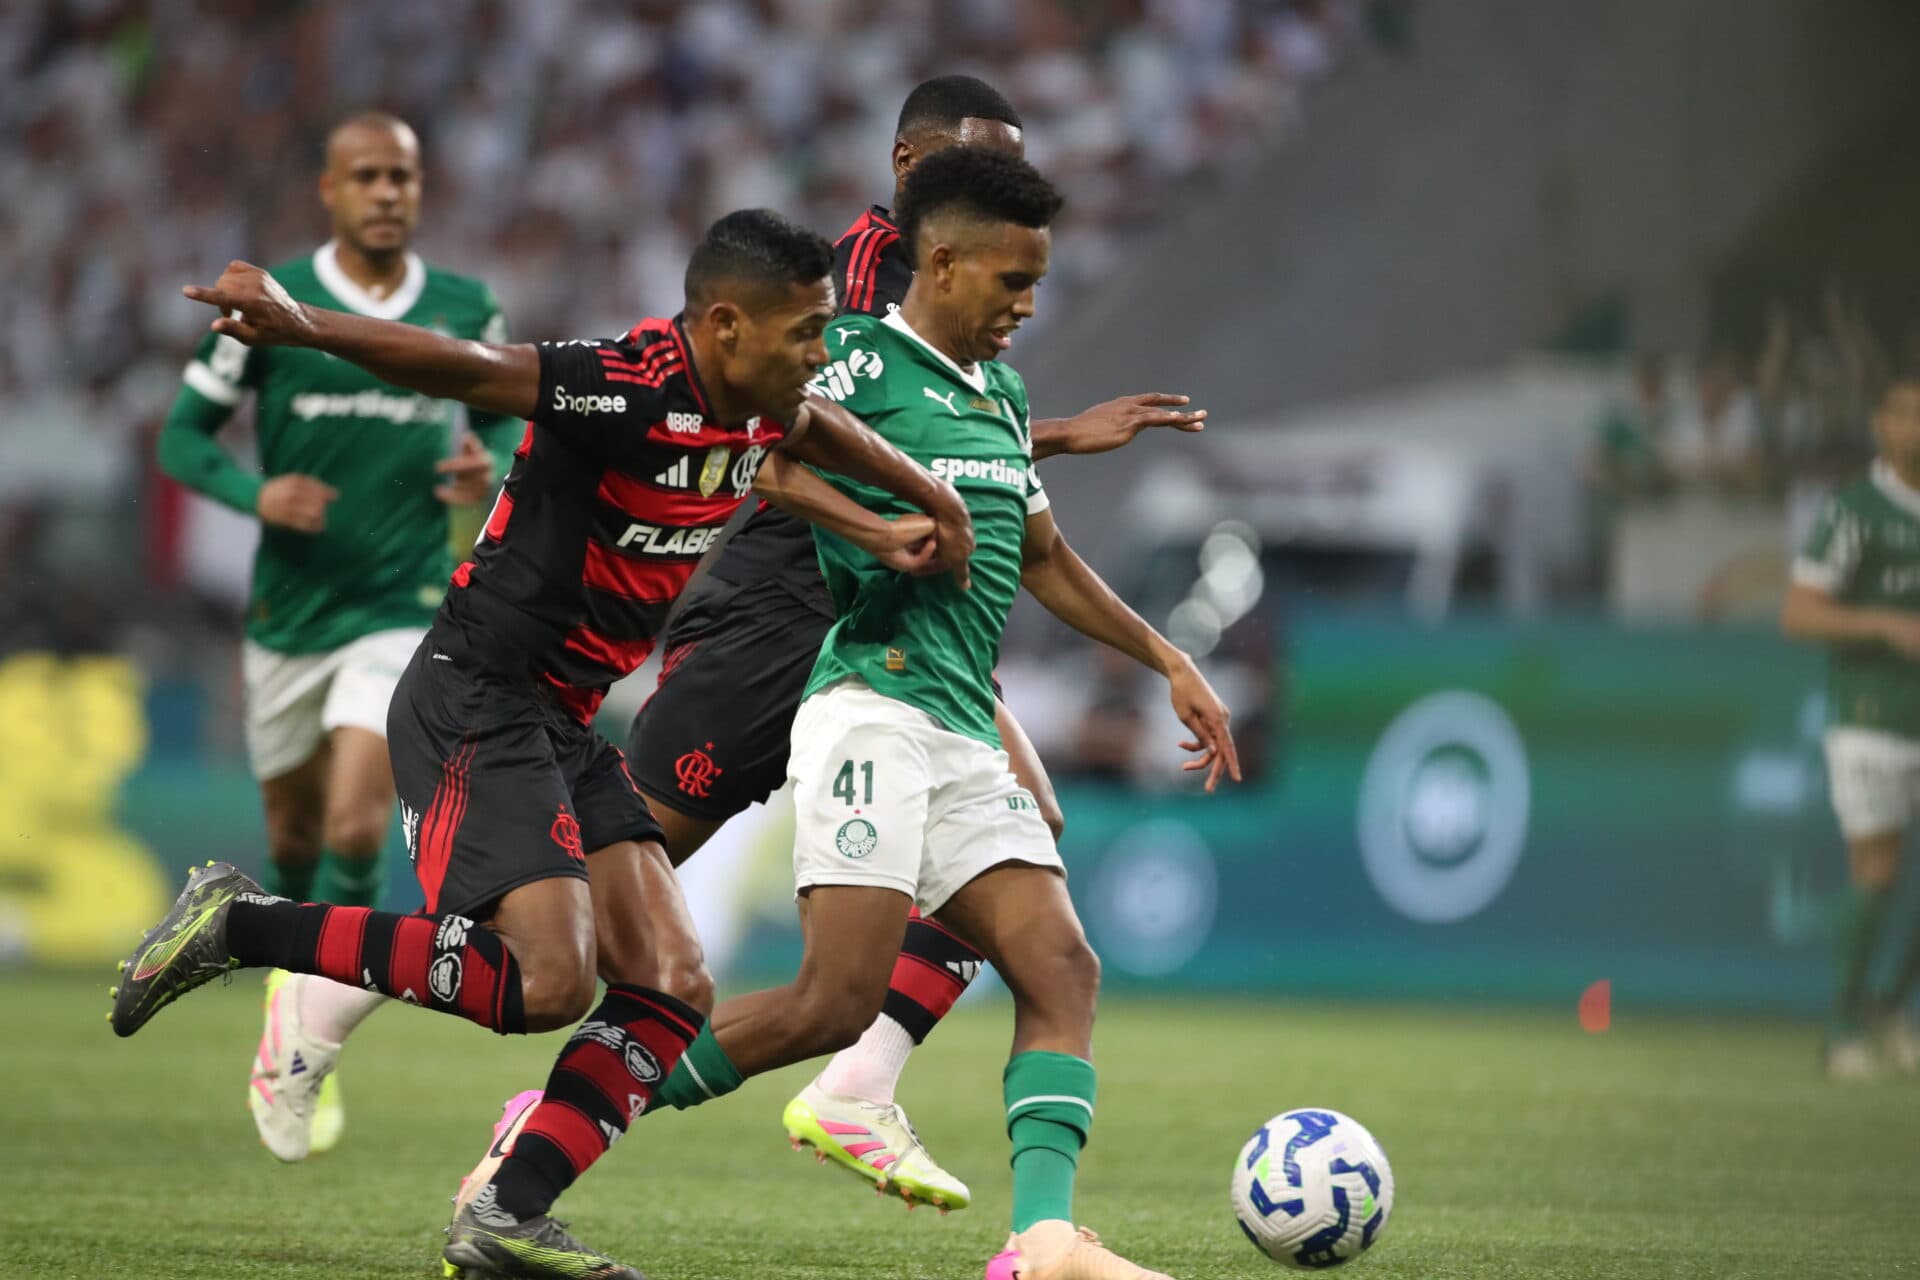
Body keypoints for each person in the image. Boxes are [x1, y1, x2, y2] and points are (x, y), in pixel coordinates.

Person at [112, 208, 974, 1280]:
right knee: (550, 983)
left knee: (672, 985)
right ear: (725, 325)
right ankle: (242, 923)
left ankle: (507, 1215)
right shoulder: (625, 384)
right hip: (476, 695)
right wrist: (304, 326)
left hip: (562, 718)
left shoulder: (765, 405)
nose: (820, 350)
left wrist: (916, 503)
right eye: (806, 330)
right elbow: (467, 366)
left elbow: (818, 432)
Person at [570, 146, 1234, 1280]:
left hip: (962, 723)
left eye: (1038, 282)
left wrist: (1167, 655)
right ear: (944, 262)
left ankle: (1042, 1241)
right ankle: (554, 1129)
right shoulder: (854, 357)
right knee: (830, 1002)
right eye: (1013, 281)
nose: (1028, 306)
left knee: (1062, 967)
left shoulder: (1000, 396)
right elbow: (754, 453)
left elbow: (1044, 558)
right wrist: (874, 529)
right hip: (871, 708)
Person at [155, 111, 522, 1160]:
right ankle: (297, 1001)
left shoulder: (466, 306)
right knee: (297, 835)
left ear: (420, 186)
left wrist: (489, 460)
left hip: (403, 610)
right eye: (366, 175)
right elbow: (182, 438)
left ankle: (310, 1034)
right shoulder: (272, 299)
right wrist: (257, 493)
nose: (387, 192)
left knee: (359, 823)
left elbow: (503, 415)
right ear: (329, 189)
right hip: (288, 617)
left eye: (402, 175)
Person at [1781, 364, 1920, 1082]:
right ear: (1881, 425)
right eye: (1906, 413)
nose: (1917, 428)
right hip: (1872, 716)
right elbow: (1799, 612)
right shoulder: (1856, 509)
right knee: (1878, 870)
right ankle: (1842, 1030)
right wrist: (1885, 625)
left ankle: (1890, 1005)